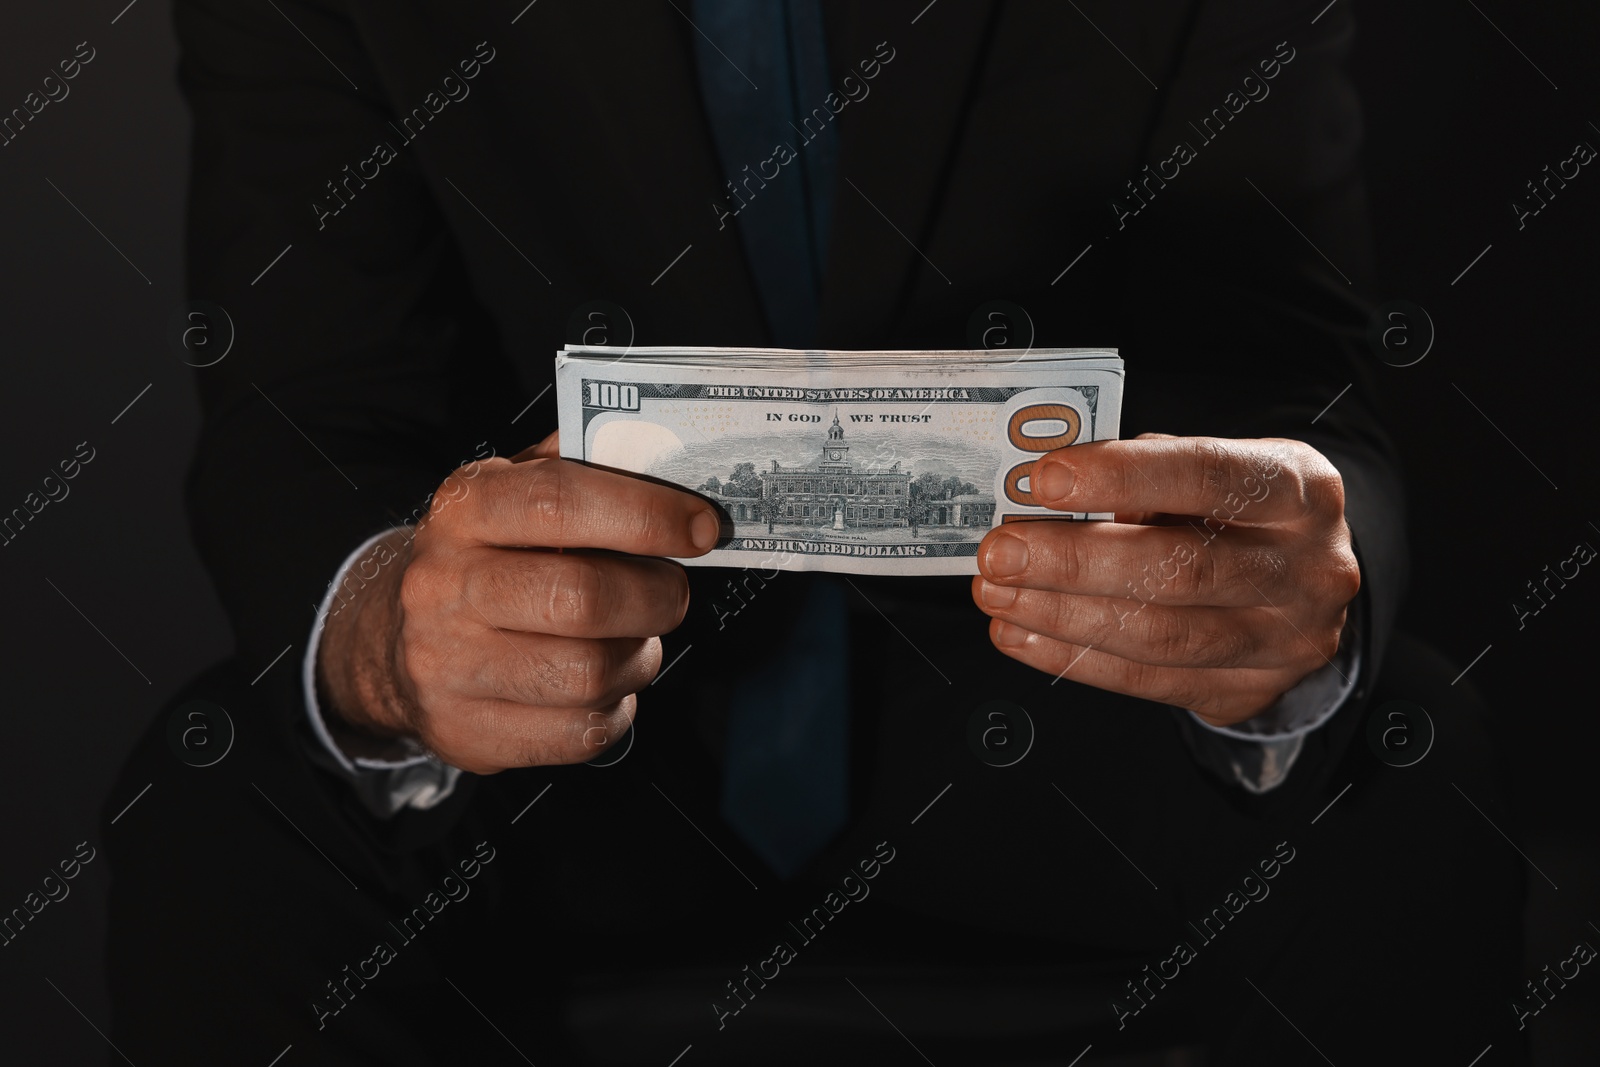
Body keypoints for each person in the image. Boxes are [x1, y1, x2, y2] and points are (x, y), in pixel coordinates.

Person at [105, 1, 1526, 1063]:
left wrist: (1291, 602)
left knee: (1411, 763)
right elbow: (304, 415)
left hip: (1070, 726)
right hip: (561, 775)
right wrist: (391, 643)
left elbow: (1304, 388)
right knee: (212, 798)